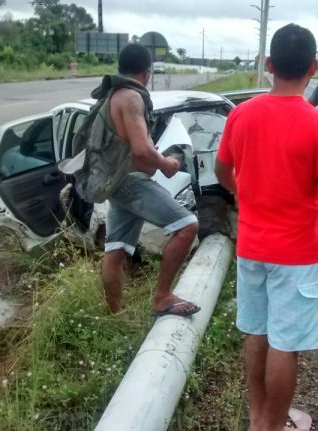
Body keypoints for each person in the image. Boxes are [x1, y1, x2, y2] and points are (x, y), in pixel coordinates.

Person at [215, 23, 318, 431]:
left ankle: (258, 417)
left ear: (268, 65)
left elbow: (221, 169)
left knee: (256, 333)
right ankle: (274, 426)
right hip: (295, 254)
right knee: (286, 343)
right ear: (314, 67)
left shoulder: (241, 115)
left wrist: (244, 195)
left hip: (251, 247)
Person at [100, 44, 200, 317]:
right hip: (131, 182)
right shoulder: (132, 97)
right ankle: (162, 296)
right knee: (187, 226)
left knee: (116, 249)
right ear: (147, 72)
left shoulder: (111, 95)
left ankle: (113, 313)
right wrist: (167, 164)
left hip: (116, 182)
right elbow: (142, 149)